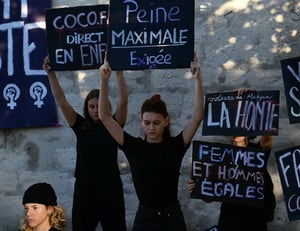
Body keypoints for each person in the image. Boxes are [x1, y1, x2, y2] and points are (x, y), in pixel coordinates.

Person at [98, 52, 204, 231]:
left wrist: (198, 79)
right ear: (141, 121)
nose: (151, 128)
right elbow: (105, 117)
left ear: (166, 121)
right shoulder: (133, 146)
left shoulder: (176, 145)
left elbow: (197, 116)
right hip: (145, 218)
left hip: (172, 217)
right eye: (147, 123)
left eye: (156, 123)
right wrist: (104, 80)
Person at [42, 57, 128, 231]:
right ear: (86, 108)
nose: (96, 110)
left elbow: (123, 100)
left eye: (99, 105)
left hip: (110, 190)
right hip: (85, 190)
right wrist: (51, 75)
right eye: (92, 106)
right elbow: (61, 101)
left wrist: (118, 72)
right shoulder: (80, 125)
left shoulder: (114, 125)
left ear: (107, 106)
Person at [189, 87, 276, 231]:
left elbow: (267, 136)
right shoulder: (220, 157)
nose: (236, 132)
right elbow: (210, 196)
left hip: (255, 222)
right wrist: (198, 187)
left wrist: (252, 100)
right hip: (229, 222)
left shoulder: (256, 152)